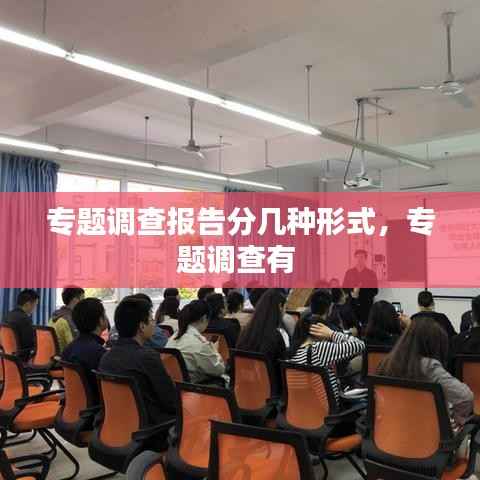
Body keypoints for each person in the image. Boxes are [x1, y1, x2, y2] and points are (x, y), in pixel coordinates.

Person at [378, 316, 473, 439]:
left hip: (391, 435)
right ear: (434, 346)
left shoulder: (386, 362)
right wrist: (455, 417)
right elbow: (465, 397)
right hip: (427, 439)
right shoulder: (429, 367)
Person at [100, 297, 176, 448]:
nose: (154, 323)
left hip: (115, 428)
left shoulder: (106, 357)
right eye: (151, 319)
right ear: (142, 326)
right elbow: (171, 402)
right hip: (151, 432)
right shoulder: (147, 357)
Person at [290, 290, 365, 405]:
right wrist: (331, 334)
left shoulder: (294, 349)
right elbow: (360, 345)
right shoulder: (320, 349)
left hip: (304, 406)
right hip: (328, 406)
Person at [236, 289, 290, 393]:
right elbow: (283, 370)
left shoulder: (245, 332)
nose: (285, 311)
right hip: (271, 393)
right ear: (280, 306)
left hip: (245, 391)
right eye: (285, 308)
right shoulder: (277, 335)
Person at [166, 300, 226, 385]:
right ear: (204, 318)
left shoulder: (173, 337)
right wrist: (215, 350)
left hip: (175, 386)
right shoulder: (199, 345)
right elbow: (219, 370)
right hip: (196, 388)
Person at [62, 298, 108, 402]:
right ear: (100, 320)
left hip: (74, 406)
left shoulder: (68, 349)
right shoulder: (99, 353)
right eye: (104, 314)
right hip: (96, 407)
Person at [342, 250, 378, 327]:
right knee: (351, 327)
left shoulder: (371, 273)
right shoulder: (349, 272)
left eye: (361, 257)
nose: (359, 259)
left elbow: (375, 291)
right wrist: (352, 292)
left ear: (365, 259)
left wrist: (361, 292)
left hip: (366, 306)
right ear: (354, 258)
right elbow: (344, 288)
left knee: (366, 327)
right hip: (351, 305)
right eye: (357, 257)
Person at [3, 289, 39, 361]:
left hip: (7, 357)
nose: (35, 308)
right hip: (21, 360)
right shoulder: (25, 320)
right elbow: (30, 344)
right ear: (27, 304)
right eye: (35, 305)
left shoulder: (7, 316)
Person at [49, 286, 85, 352]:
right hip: (66, 356)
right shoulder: (69, 320)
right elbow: (75, 347)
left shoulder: (54, 316)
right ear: (75, 300)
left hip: (53, 356)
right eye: (83, 299)